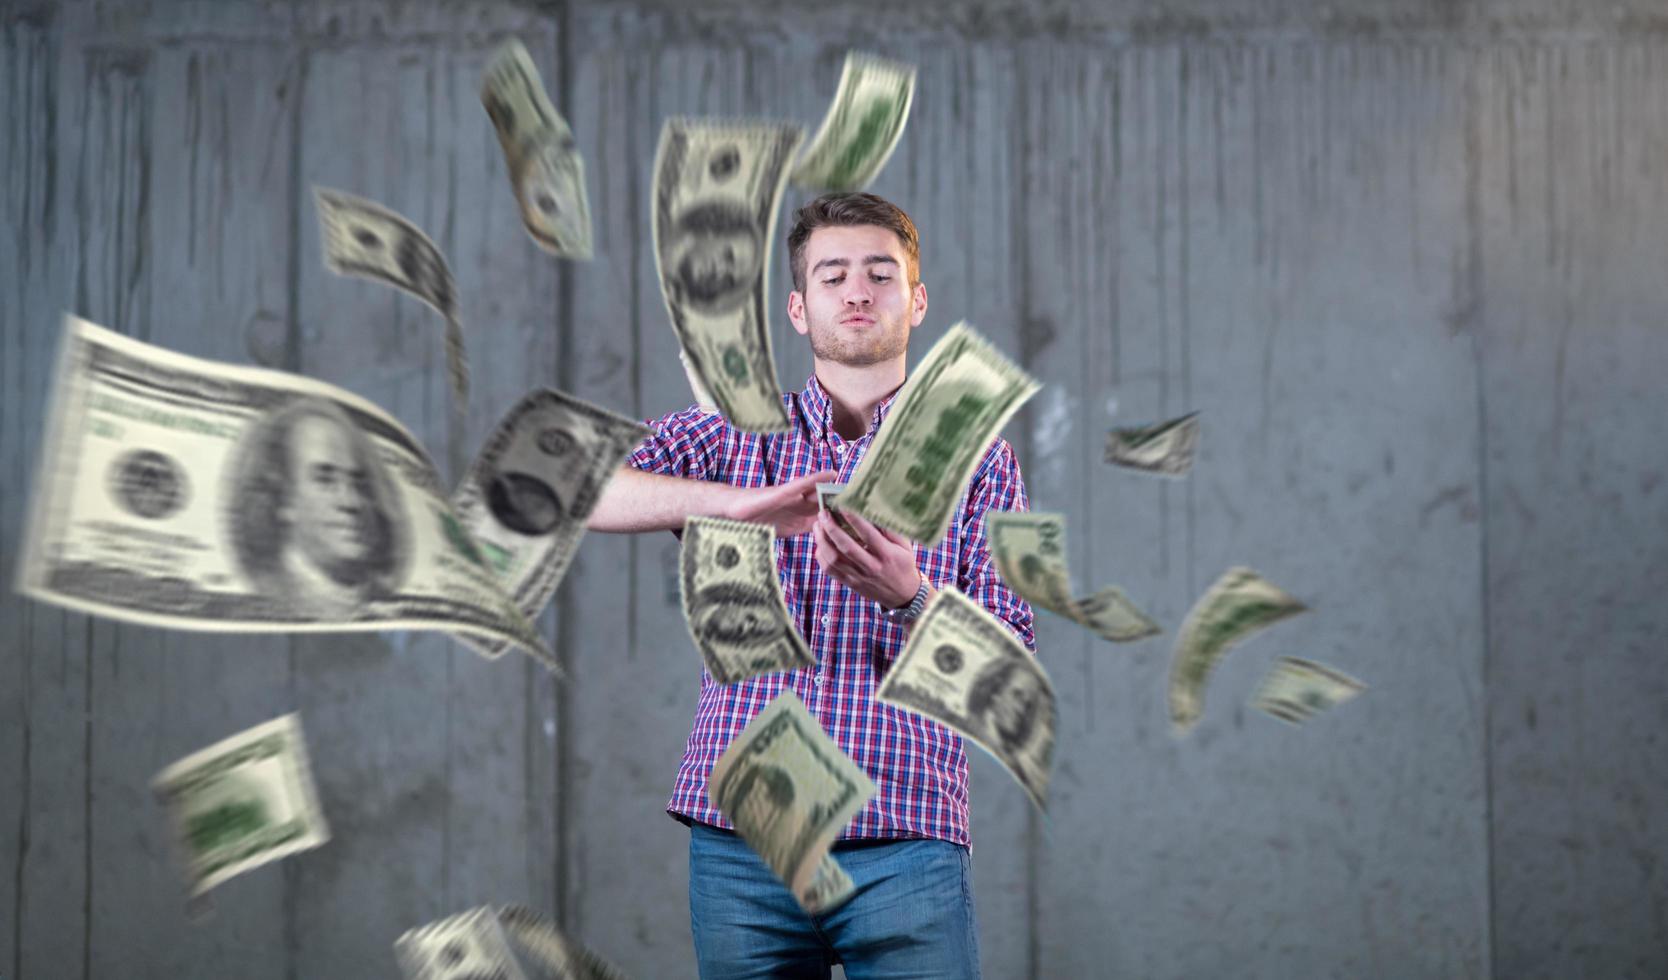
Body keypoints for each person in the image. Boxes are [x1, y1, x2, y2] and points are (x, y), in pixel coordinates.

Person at [588, 191, 1035, 979]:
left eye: (879, 273)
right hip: (745, 849)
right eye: (832, 276)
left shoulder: (980, 459)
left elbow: (1005, 674)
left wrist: (910, 597)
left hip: (908, 839)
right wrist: (728, 504)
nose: (857, 291)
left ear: (917, 299)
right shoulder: (731, 433)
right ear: (798, 308)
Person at [230, 396, 404, 617]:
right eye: (325, 480)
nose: (351, 502)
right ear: (285, 500)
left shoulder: (380, 594)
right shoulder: (270, 591)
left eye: (358, 483)